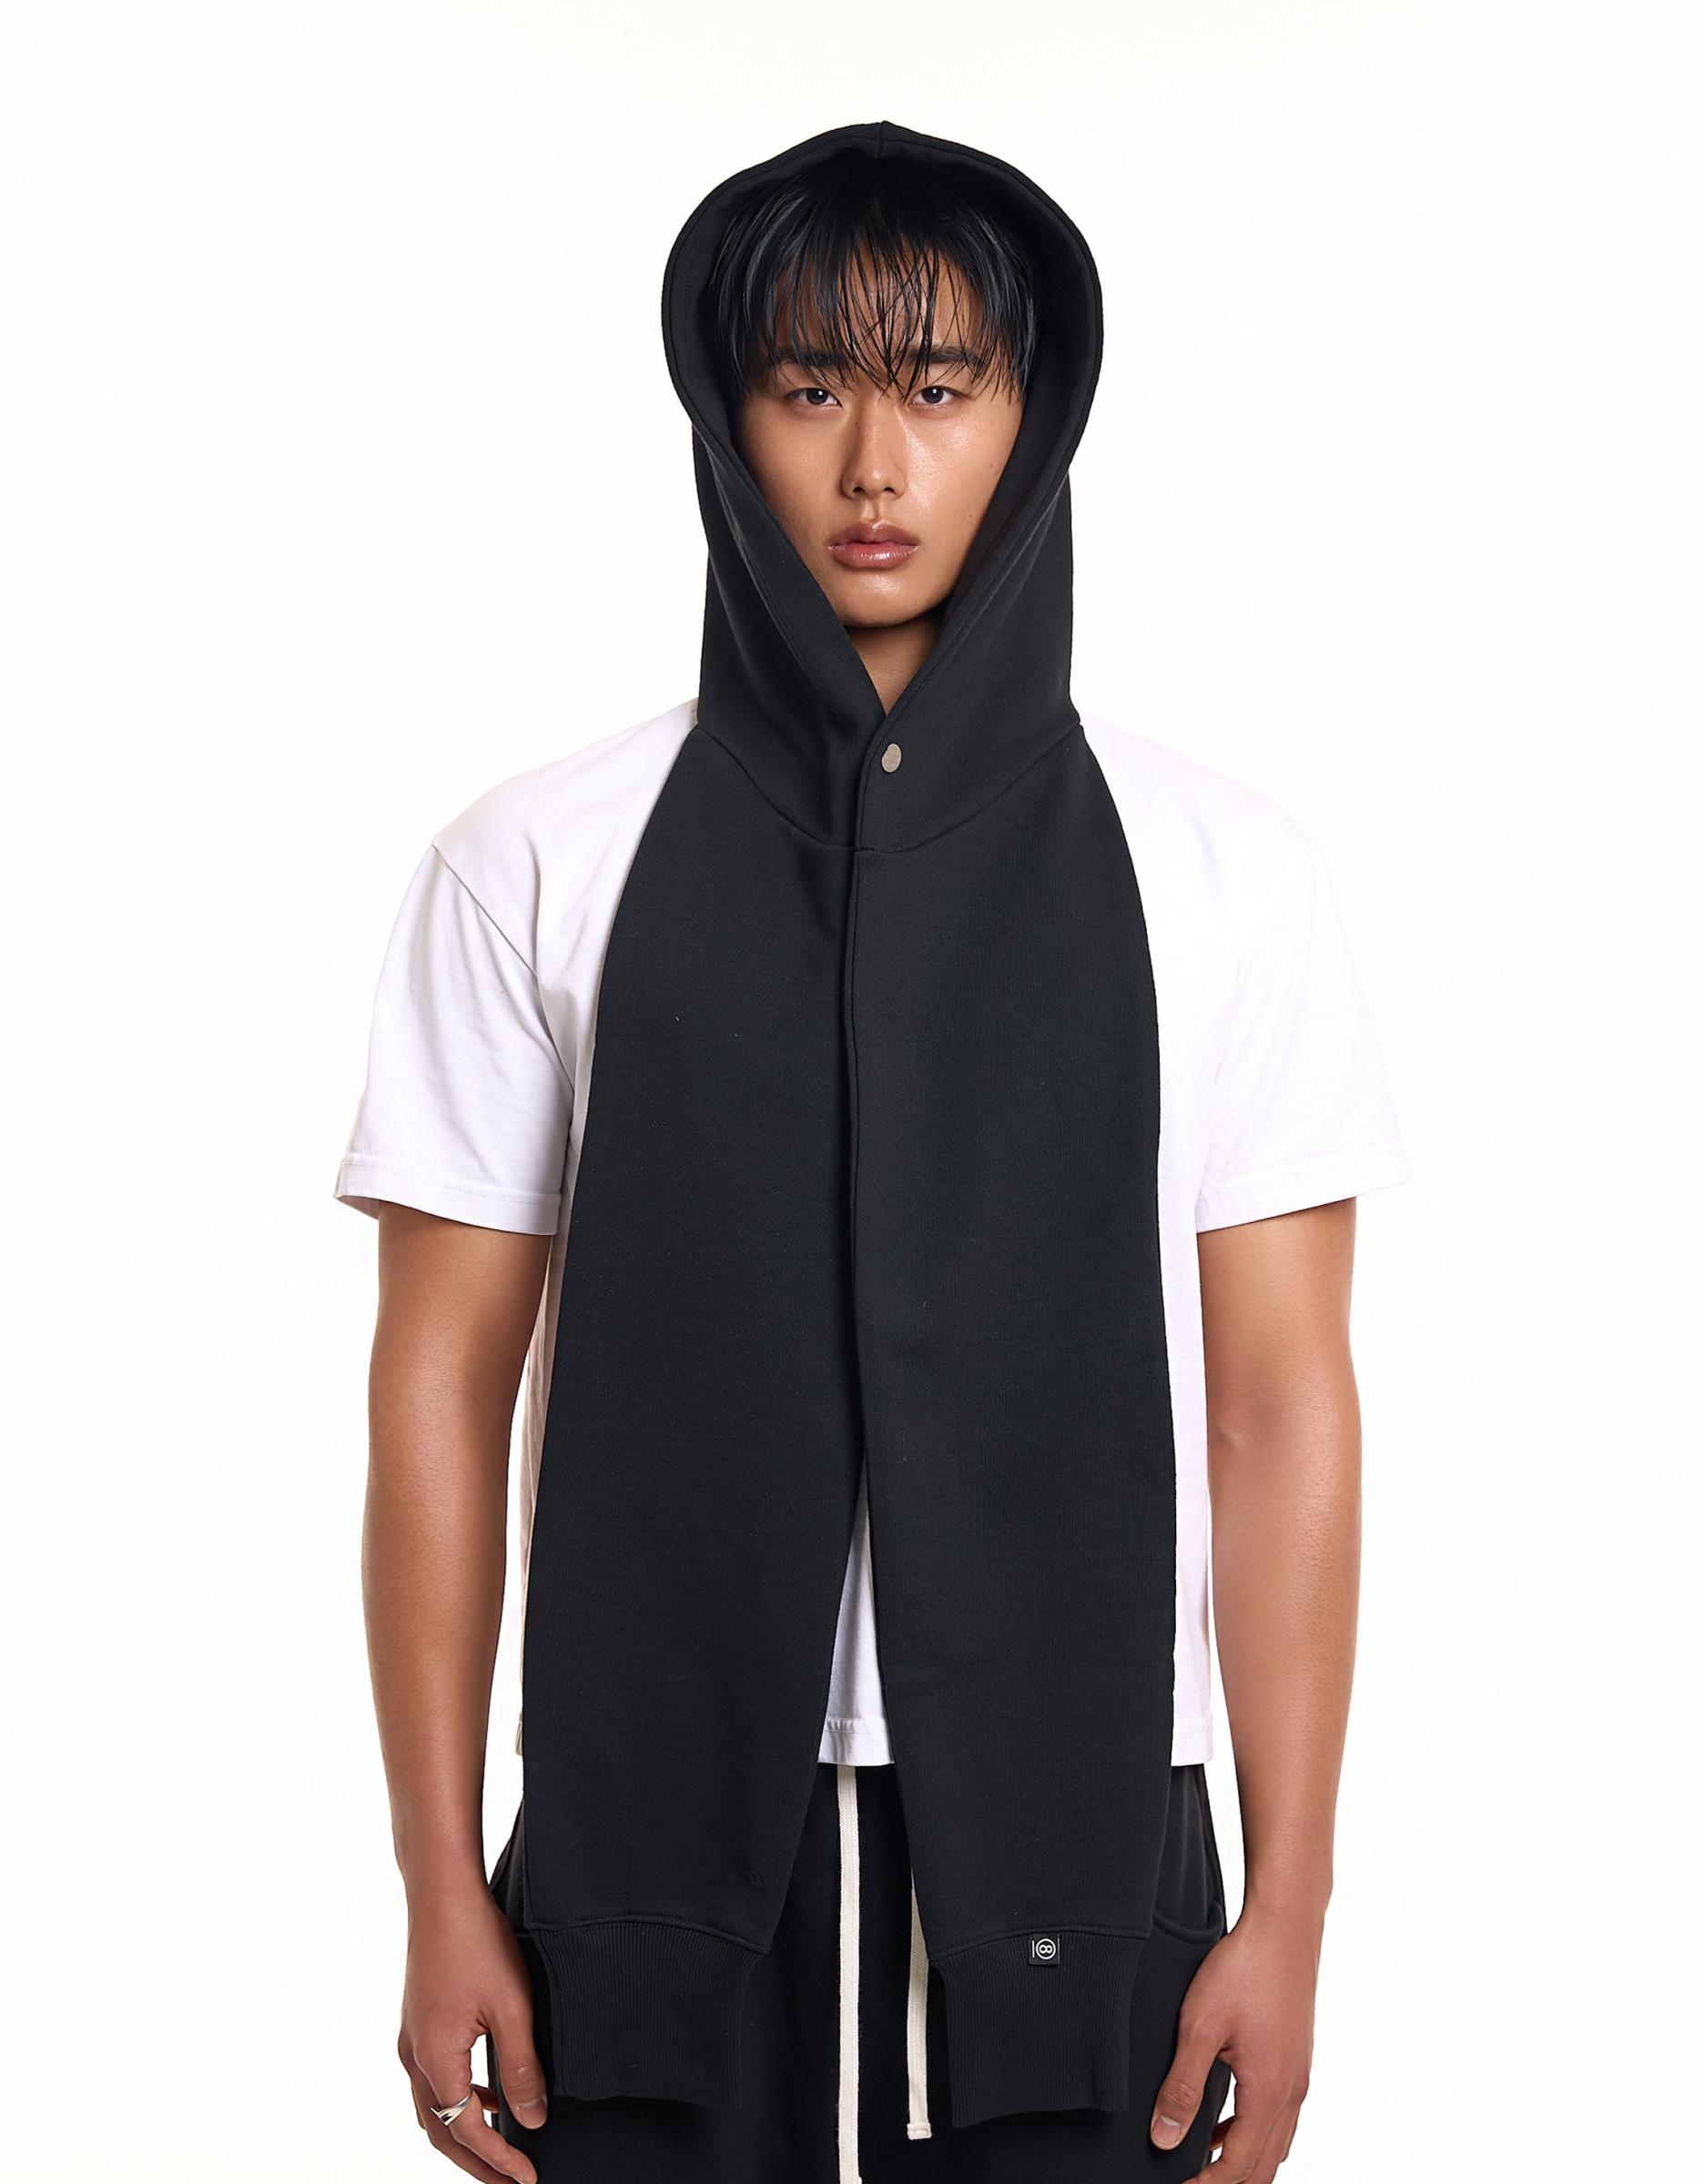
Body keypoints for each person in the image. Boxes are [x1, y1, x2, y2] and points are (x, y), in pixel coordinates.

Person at [334, 117, 1411, 2184]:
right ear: (725, 414)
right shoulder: (538, 860)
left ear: (1034, 414)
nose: (872, 464)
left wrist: (1291, 1909)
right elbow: (439, 1390)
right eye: (809, 385)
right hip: (640, 1853)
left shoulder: (1222, 876)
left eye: (937, 388)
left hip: (1095, 1841)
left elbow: (1283, 1405)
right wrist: (438, 1879)